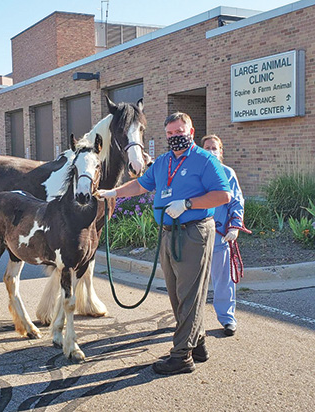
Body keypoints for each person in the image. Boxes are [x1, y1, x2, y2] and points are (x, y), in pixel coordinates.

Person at [99, 112, 231, 375]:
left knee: (189, 295)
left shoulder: (204, 161)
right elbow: (140, 186)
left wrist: (188, 204)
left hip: (193, 233)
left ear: (191, 132)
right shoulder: (163, 162)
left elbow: (223, 195)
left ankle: (182, 356)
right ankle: (198, 342)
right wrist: (113, 192)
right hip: (169, 233)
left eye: (180, 132)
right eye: (170, 133)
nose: (175, 137)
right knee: (176, 293)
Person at [202, 134, 245, 336]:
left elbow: (236, 202)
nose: (211, 151)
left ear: (221, 151)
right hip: (196, 235)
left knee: (223, 281)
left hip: (220, 236)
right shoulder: (196, 173)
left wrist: (234, 226)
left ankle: (227, 319)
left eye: (214, 148)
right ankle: (189, 322)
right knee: (192, 284)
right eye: (207, 148)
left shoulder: (228, 174)